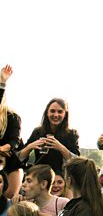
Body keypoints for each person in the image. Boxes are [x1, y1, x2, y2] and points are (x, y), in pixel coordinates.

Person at [18, 98, 80, 174]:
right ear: (47, 113)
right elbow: (19, 158)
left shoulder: (72, 134)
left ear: (65, 114)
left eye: (60, 112)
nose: (56, 115)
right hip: (39, 175)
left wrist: (60, 148)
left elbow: (77, 163)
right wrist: (30, 147)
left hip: (61, 178)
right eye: (52, 111)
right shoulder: (38, 132)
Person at [0, 65, 24, 199]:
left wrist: (2, 148)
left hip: (11, 161)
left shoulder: (13, 116)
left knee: (10, 195)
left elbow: (14, 140)